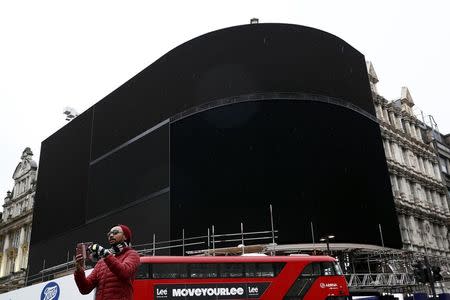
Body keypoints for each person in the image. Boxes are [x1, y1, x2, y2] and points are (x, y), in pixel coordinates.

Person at [74, 224, 141, 300]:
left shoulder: (132, 254)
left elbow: (124, 273)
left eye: (115, 232)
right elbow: (85, 289)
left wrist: (104, 253)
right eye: (109, 234)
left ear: (125, 236)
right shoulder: (101, 262)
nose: (111, 235)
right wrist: (79, 271)